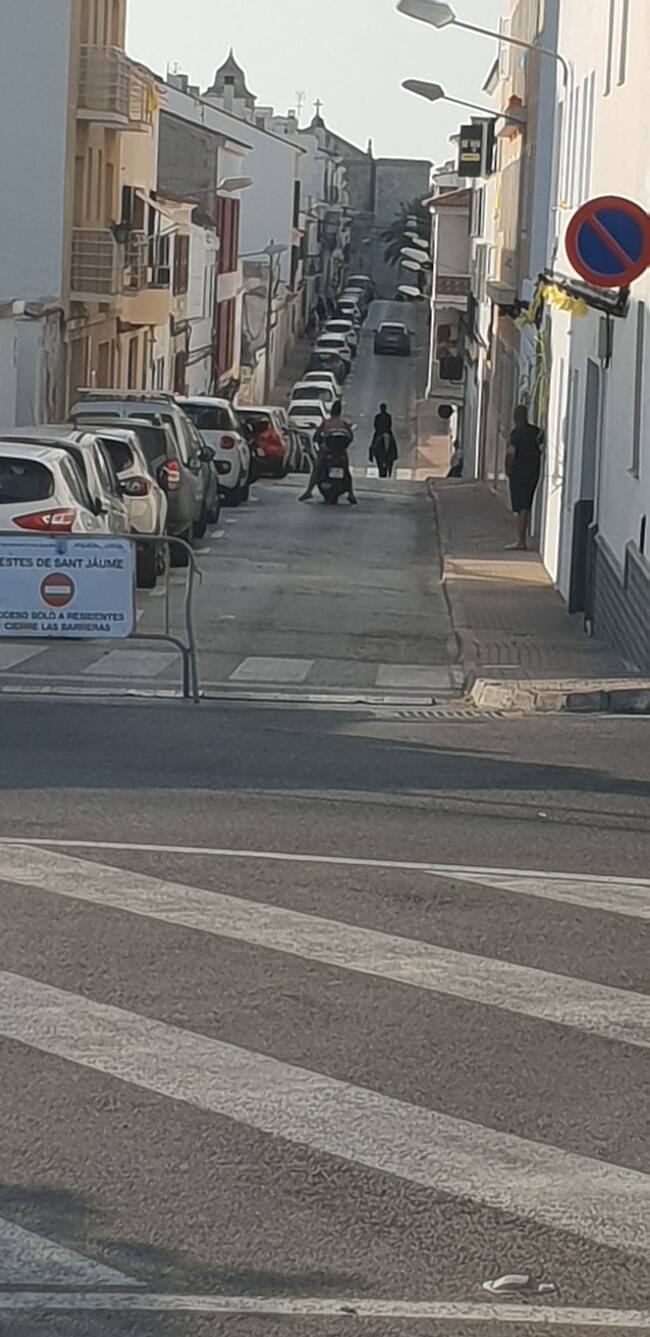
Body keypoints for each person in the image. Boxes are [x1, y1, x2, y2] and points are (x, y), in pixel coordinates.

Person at [299, 401, 358, 504]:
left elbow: (316, 437)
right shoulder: (343, 423)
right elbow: (350, 437)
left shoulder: (326, 423)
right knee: (346, 471)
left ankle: (309, 491)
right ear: (340, 412)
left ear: (331, 411)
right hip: (340, 452)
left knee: (316, 469)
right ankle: (351, 493)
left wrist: (320, 446)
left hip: (328, 452)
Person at [505, 404, 543, 550]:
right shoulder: (535, 431)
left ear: (516, 417)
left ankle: (520, 540)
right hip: (533, 473)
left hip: (518, 474)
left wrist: (508, 469)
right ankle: (521, 539)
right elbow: (541, 439)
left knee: (520, 507)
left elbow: (511, 454)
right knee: (526, 505)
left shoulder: (516, 434)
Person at [369, 402, 398, 478]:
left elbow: (375, 425)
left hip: (379, 432)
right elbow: (390, 425)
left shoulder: (377, 416)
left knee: (373, 444)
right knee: (393, 443)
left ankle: (371, 455)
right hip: (387, 432)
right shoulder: (388, 416)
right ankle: (395, 455)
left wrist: (379, 430)